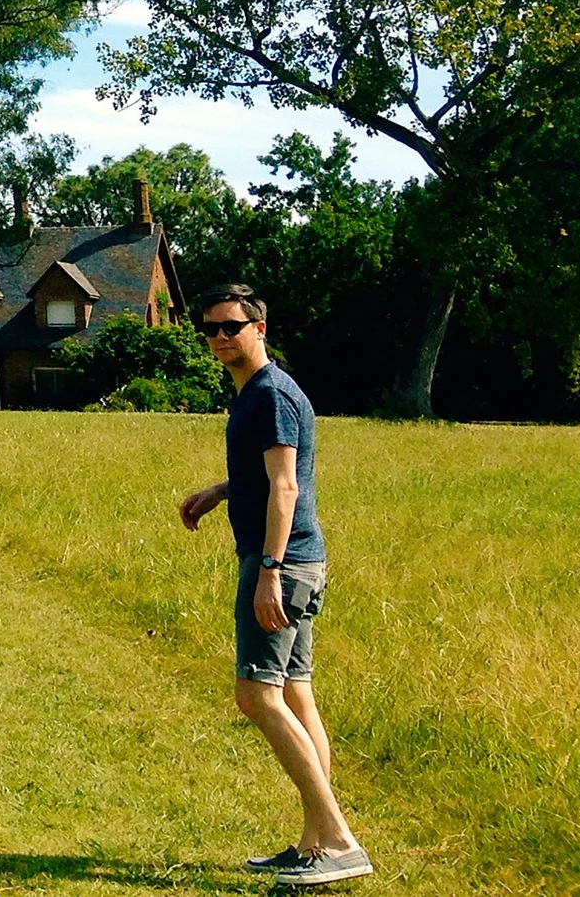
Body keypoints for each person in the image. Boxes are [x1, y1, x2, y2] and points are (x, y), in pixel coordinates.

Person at [178, 286, 371, 886]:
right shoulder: (256, 393)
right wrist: (221, 491)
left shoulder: (270, 394)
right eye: (210, 328)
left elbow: (286, 487)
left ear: (259, 328)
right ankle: (316, 843)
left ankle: (338, 839)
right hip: (295, 562)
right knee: (295, 693)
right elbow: (269, 476)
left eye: (230, 327)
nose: (218, 337)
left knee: (257, 695)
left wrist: (269, 571)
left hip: (282, 565)